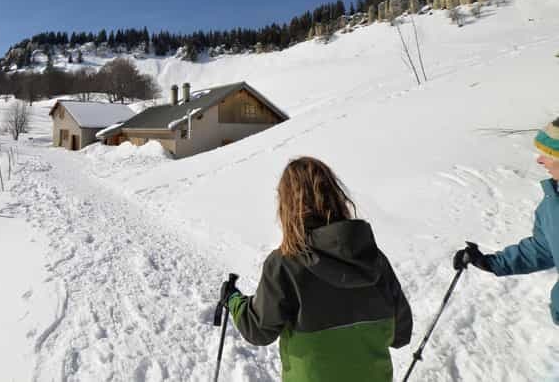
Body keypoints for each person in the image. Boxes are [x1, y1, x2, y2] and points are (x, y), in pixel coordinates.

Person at [221, 157, 412, 381]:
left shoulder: (285, 264)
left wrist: (233, 299)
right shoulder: (374, 259)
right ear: (335, 196)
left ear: (288, 207)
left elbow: (259, 330)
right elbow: (401, 334)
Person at [454, 117, 559, 324]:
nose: (540, 160)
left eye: (548, 154)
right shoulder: (551, 205)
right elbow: (544, 248)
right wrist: (490, 263)